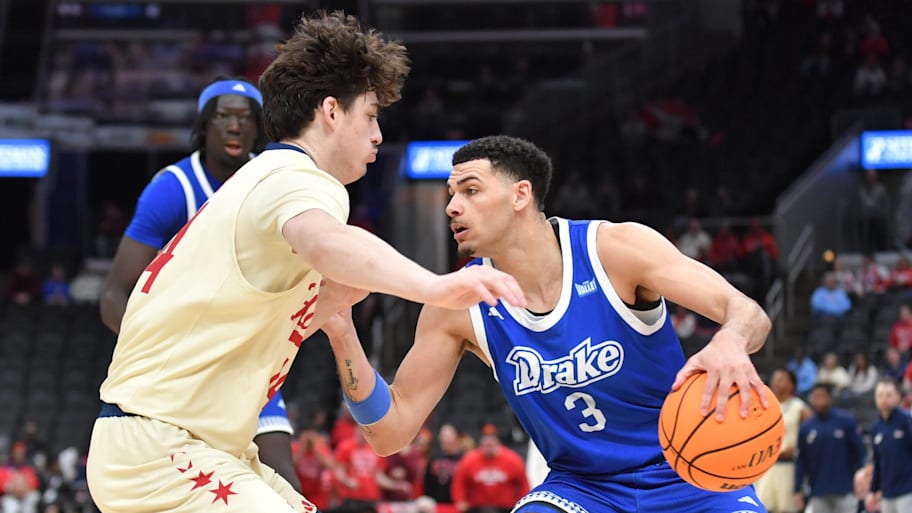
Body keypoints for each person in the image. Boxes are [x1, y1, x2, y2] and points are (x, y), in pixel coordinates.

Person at [86, 12, 525, 513]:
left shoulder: (264, 181)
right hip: (161, 447)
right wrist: (438, 287)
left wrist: (337, 302)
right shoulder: (299, 177)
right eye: (371, 116)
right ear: (331, 112)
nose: (378, 135)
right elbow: (329, 242)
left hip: (193, 446)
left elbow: (264, 318)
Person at [321, 135, 774, 512]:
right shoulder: (455, 304)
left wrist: (731, 341)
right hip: (582, 490)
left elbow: (747, 311)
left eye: (471, 191)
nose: (452, 208)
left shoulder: (615, 249)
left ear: (521, 194)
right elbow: (390, 432)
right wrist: (343, 332)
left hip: (692, 474)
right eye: (451, 195)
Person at [96, 76, 303, 489]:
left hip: (246, 364)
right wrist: (163, 353)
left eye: (247, 118)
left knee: (286, 488)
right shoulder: (173, 188)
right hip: (186, 369)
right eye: (224, 116)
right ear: (205, 125)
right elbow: (113, 296)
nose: (235, 126)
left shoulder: (267, 182)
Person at [794, 383, 865, 513]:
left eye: (823, 396)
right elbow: (801, 461)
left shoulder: (845, 421)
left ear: (830, 398)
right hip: (818, 490)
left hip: (844, 488)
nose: (819, 400)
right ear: (811, 399)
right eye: (816, 397)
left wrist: (859, 479)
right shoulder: (806, 428)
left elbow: (859, 451)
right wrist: (797, 489)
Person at [754, 369, 812, 513]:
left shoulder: (800, 408)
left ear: (792, 384)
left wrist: (798, 448)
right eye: (774, 378)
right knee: (763, 506)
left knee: (787, 509)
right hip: (766, 466)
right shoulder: (764, 405)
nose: (776, 382)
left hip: (788, 465)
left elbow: (812, 435)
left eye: (781, 379)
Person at [867, 378, 912, 513]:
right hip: (887, 492)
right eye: (880, 395)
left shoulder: (906, 422)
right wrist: (873, 490)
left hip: (907, 490)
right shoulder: (876, 428)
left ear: (898, 396)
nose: (884, 399)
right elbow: (878, 462)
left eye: (888, 395)